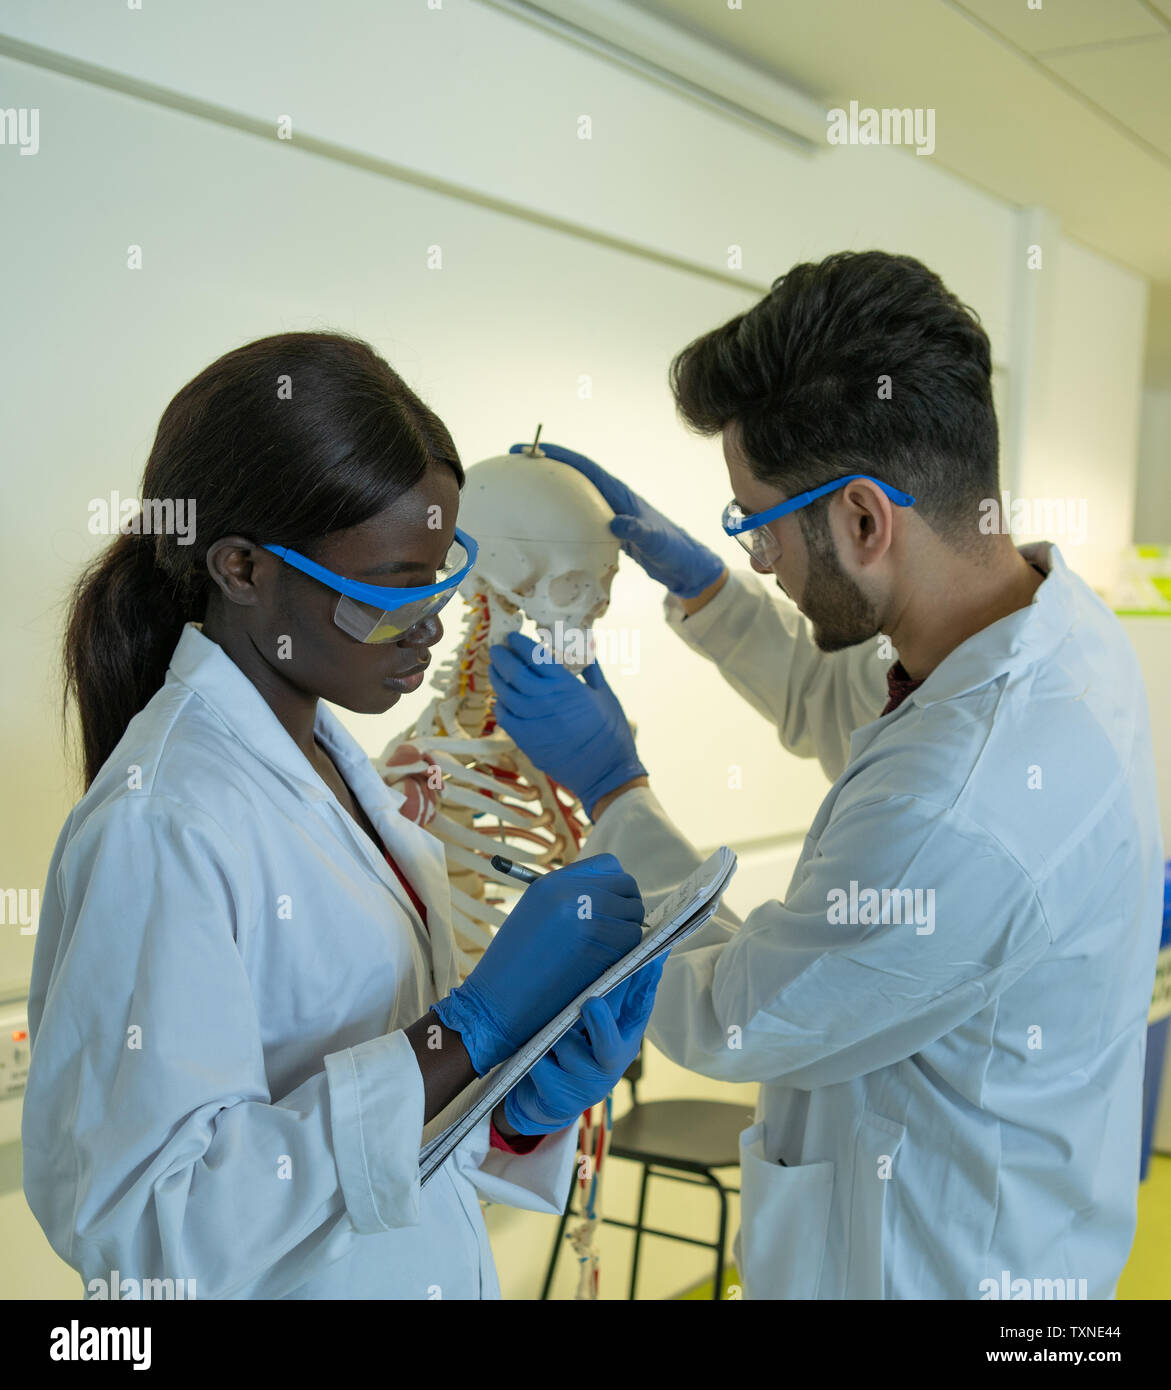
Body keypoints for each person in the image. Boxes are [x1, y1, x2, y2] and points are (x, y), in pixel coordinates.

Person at [487, 251, 1165, 1299]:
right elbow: (835, 706)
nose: (758, 558)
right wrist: (709, 589)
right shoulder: (1044, 634)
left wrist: (616, 794)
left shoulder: (964, 804)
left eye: (751, 523)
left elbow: (729, 1012)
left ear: (862, 518)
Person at [24, 330, 662, 1300]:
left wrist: (516, 1106)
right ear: (243, 568)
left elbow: (369, 1142)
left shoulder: (332, 767)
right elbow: (154, 1240)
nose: (434, 626)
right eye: (393, 591)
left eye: (443, 576)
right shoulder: (165, 824)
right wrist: (464, 1031)